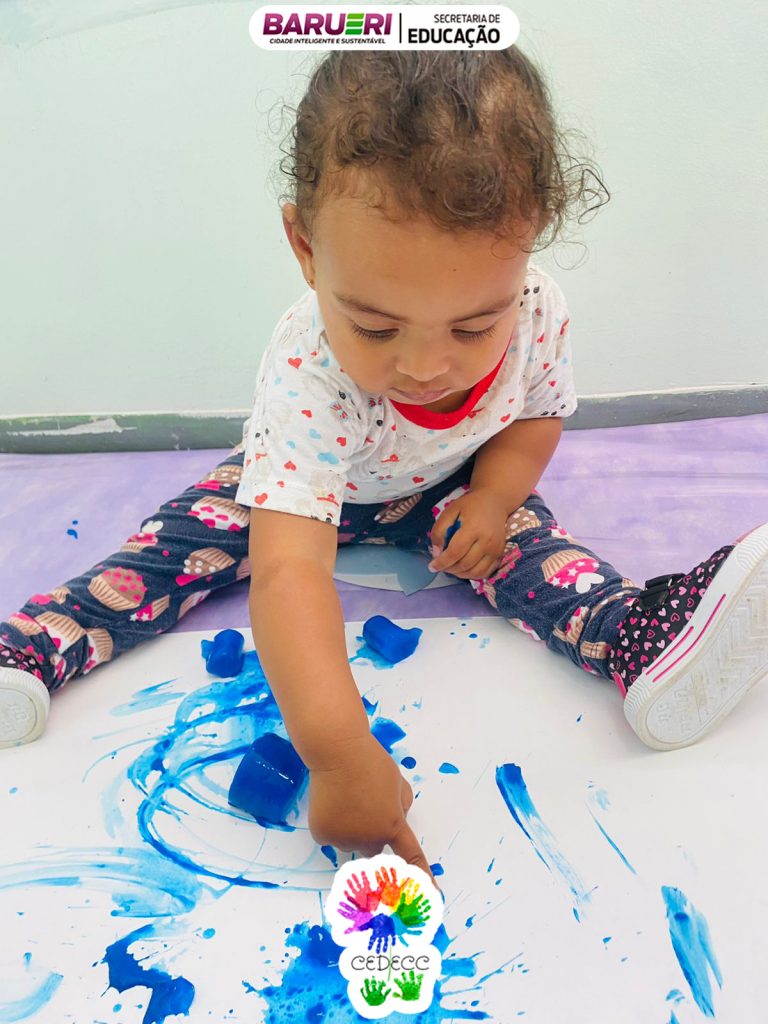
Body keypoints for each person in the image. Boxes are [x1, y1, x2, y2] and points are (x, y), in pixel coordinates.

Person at [1, 49, 766, 884]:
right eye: (374, 327)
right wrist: (337, 755)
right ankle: (32, 647)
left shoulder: (538, 309)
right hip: (305, 487)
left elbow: (537, 416)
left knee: (540, 554)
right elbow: (290, 573)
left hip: (453, 485)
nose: (426, 367)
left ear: (530, 238)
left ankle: (636, 641)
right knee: (164, 551)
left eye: (473, 328)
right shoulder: (307, 369)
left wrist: (495, 497)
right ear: (304, 247)